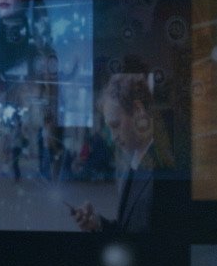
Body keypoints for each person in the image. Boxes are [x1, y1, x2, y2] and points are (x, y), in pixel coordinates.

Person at [68, 67, 166, 234]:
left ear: (137, 111)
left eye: (116, 125)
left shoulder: (164, 171)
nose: (113, 137)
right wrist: (98, 224)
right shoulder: (137, 158)